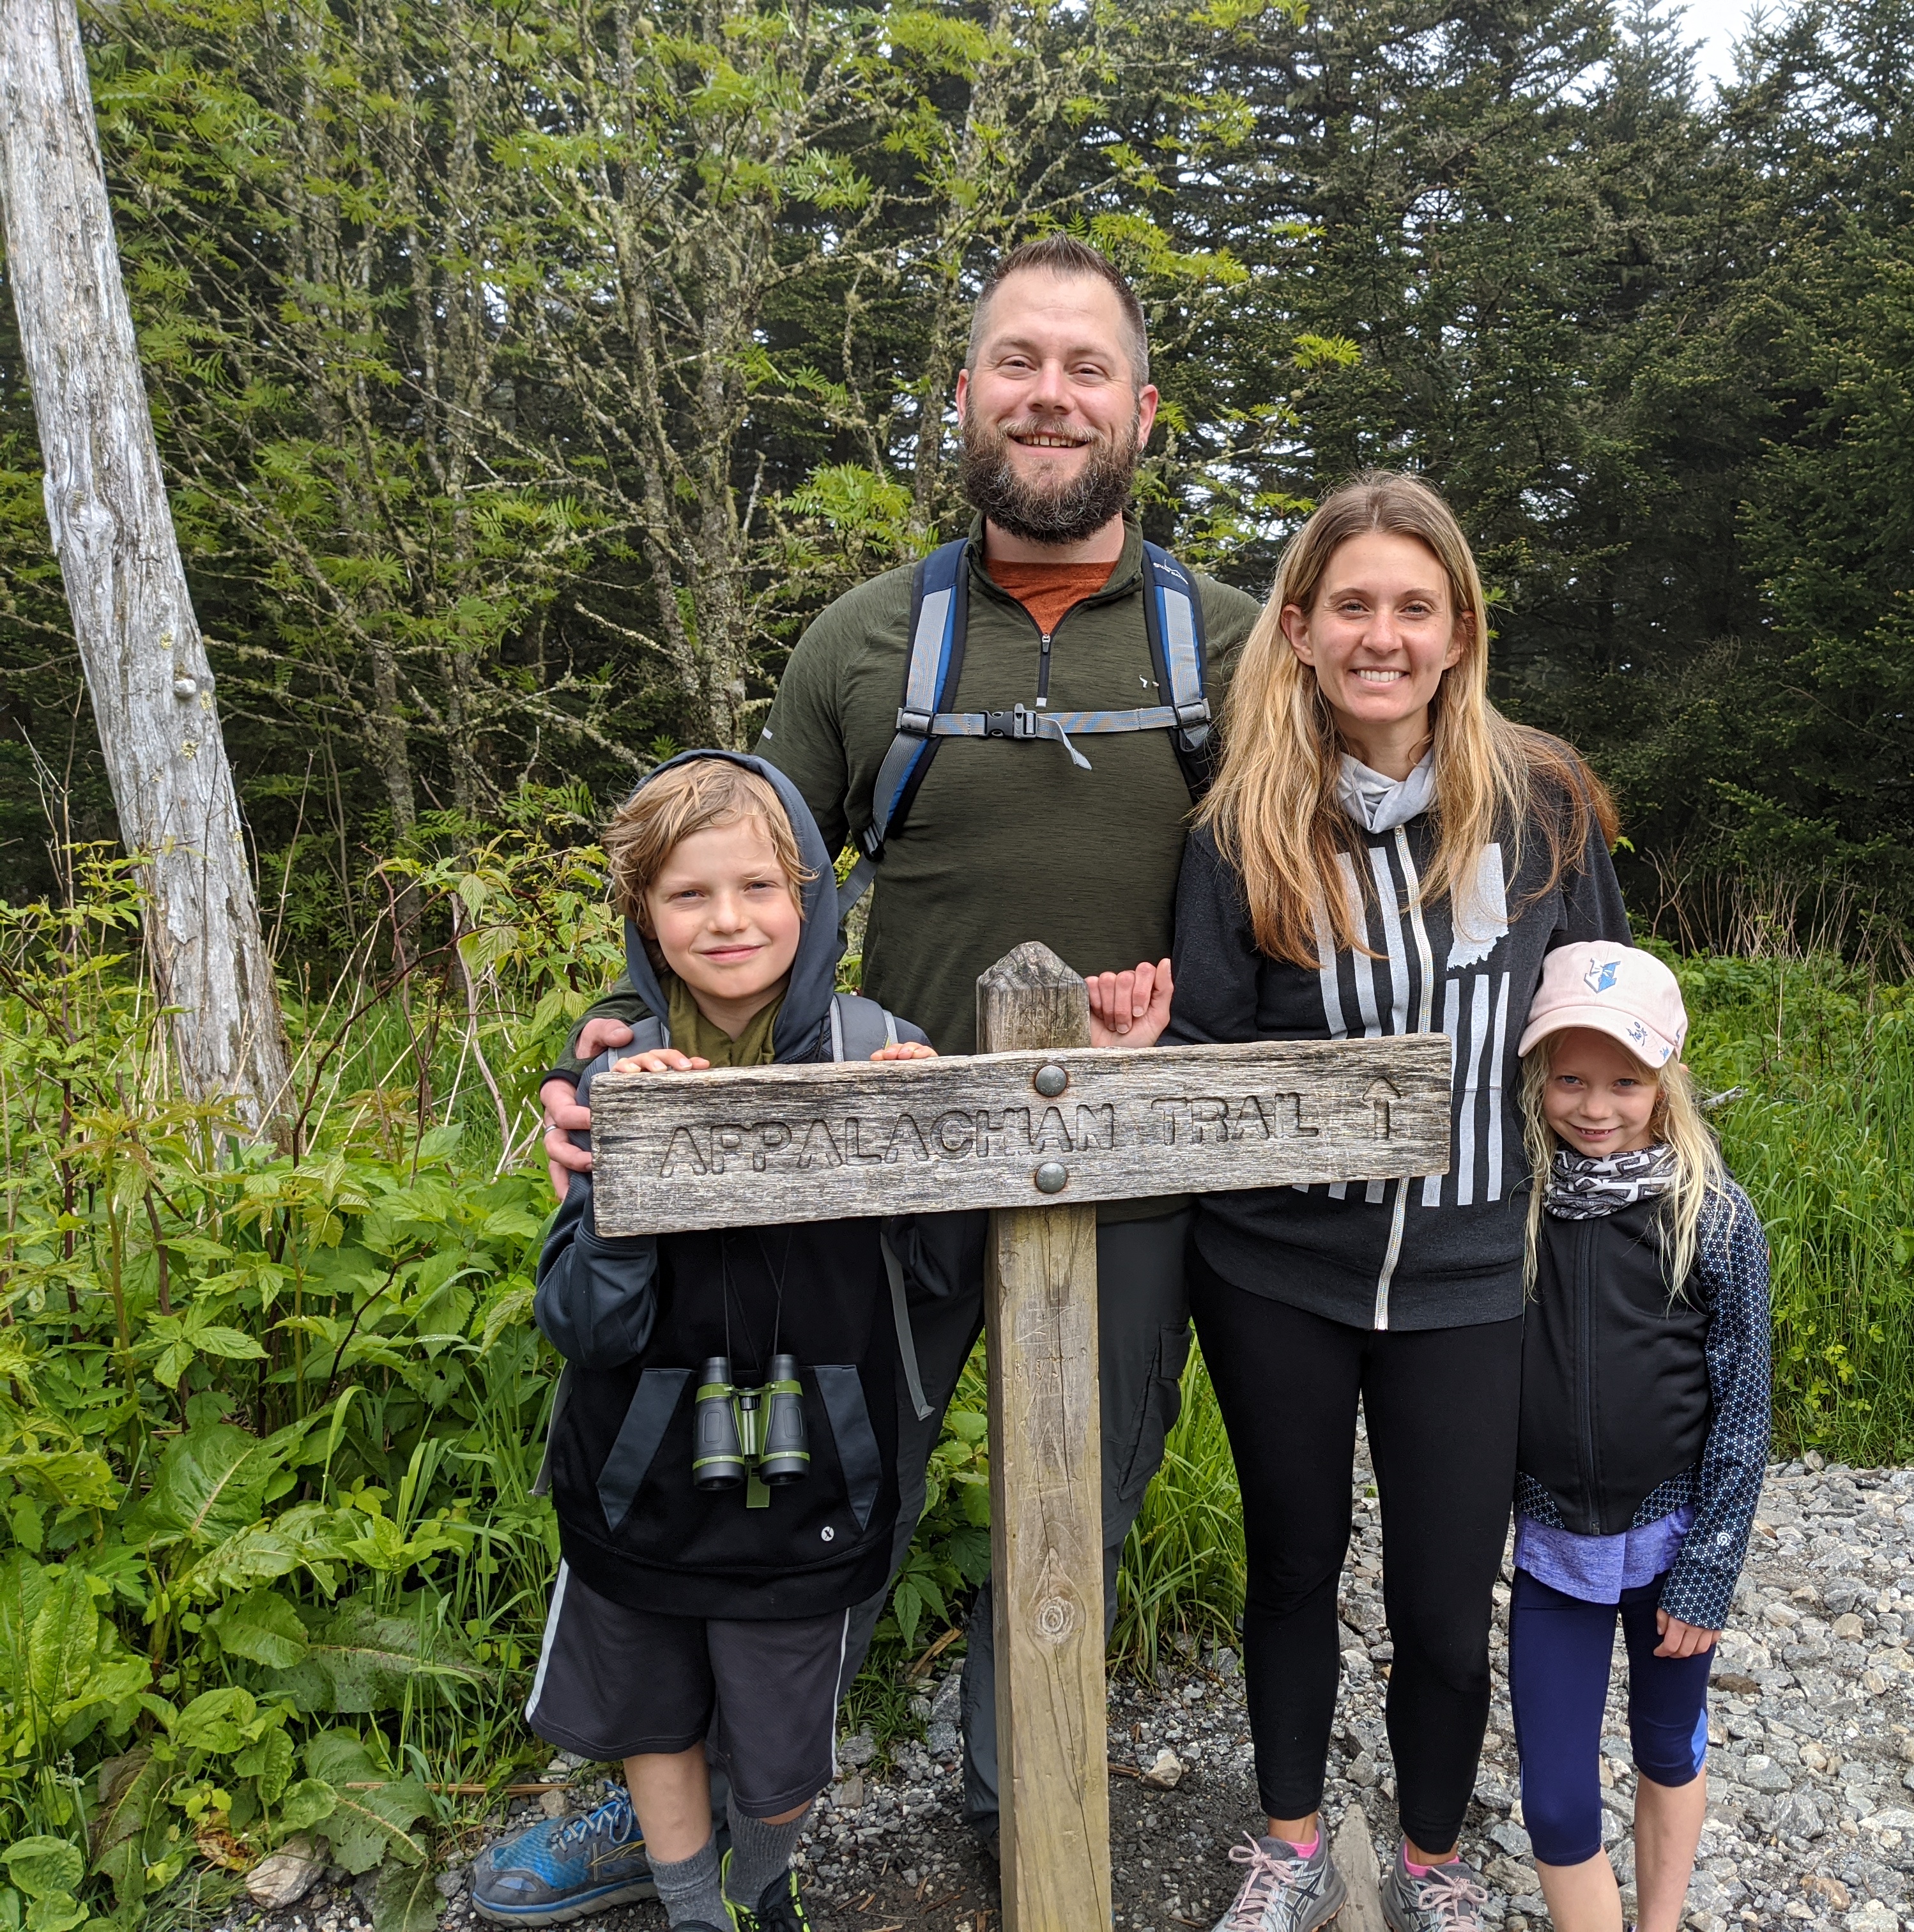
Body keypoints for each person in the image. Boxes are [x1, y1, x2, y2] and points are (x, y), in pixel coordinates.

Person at [478, 234, 1254, 1919]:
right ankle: (711, 1807)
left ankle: (1014, 1789)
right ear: (966, 394)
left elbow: (1303, 916)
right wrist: (617, 1055)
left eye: (1086, 367)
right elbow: (727, 881)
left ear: (1142, 408)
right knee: (810, 1475)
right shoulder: (863, 645)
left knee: (1086, 1504)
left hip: (1120, 1170)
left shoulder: (1237, 654)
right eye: (1017, 362)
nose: (1050, 395)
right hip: (868, 1170)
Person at [1092, 472, 1629, 1932]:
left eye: (1414, 606)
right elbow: (1210, 1042)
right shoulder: (1242, 827)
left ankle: (1434, 1863)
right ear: (1302, 628)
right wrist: (1142, 1041)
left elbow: (1599, 1029)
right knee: (1292, 1567)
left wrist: (1635, 1237)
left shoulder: (1545, 808)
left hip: (1471, 1280)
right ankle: (1286, 1847)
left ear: (1459, 630)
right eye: (1353, 606)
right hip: (1278, 1272)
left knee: (1451, 1608)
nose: (1381, 635)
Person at [519, 751, 935, 1932]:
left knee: (786, 1720)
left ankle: (763, 1886)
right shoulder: (604, 1063)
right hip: (634, 1465)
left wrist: (932, 1146)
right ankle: (690, 1906)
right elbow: (584, 1323)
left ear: (810, 898)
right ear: (644, 919)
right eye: (689, 896)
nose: (729, 920)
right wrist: (624, 1158)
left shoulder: (878, 1045)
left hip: (821, 1466)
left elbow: (946, 1275)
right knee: (649, 1700)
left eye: (759, 887)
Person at [1506, 940, 1770, 1932]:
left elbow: (1744, 1414)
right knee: (1558, 1798)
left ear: (1666, 1082)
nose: (1595, 1106)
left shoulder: (1717, 1219)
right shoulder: (1517, 1205)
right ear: (1539, 1076)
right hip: (1555, 1549)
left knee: (1667, 1744)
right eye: (1570, 1078)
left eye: (1624, 1081)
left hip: (1672, 1549)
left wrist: (1711, 1568)